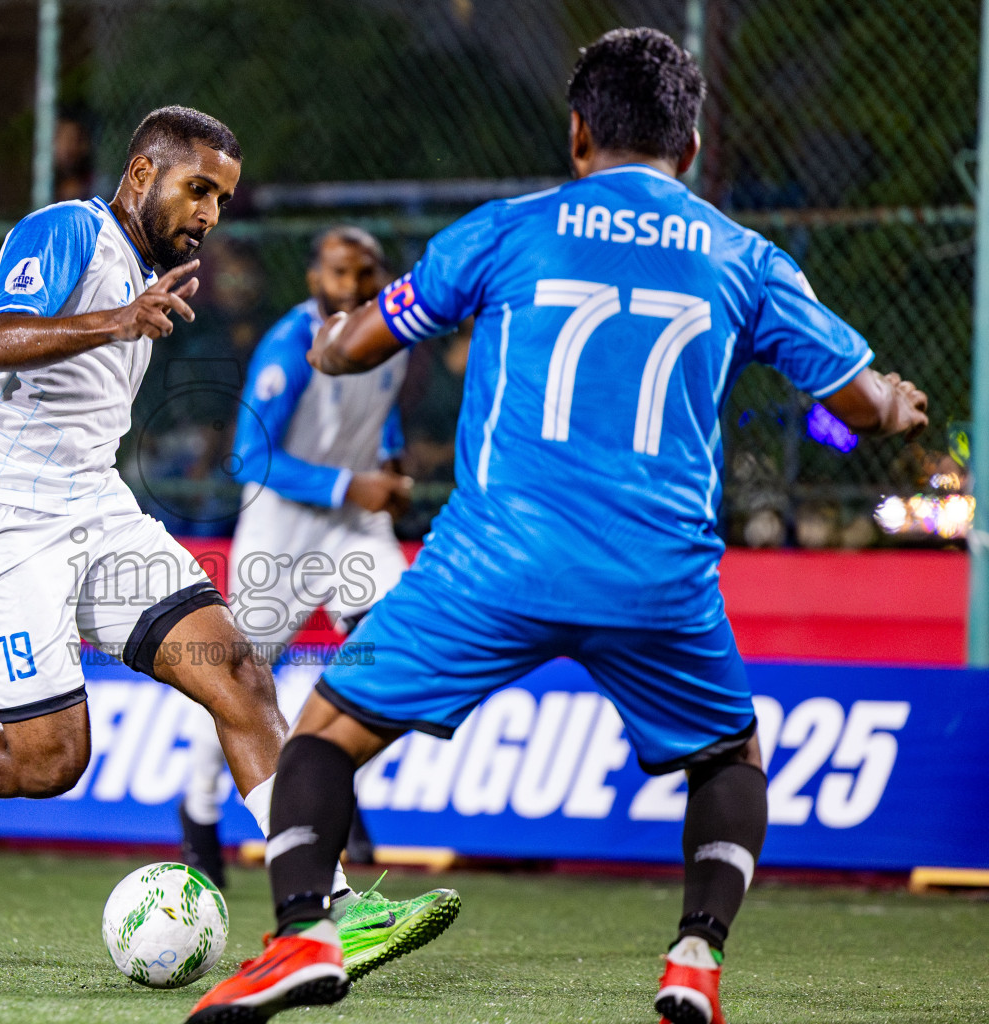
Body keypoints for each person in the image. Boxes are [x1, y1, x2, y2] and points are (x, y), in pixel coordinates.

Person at [188, 28, 930, 1024]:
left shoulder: (506, 230)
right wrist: (896, 402)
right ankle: (695, 955)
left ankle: (300, 935)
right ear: (694, 146)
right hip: (656, 576)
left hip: (497, 562)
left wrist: (325, 338)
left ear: (578, 133)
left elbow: (356, 347)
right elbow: (864, 405)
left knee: (323, 734)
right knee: (728, 758)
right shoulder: (746, 258)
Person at [0, 106, 446, 977]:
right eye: (198, 189)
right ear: (139, 177)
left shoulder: (147, 273)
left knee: (237, 669)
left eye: (222, 200)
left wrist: (128, 314)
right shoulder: (67, 231)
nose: (208, 215)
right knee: (50, 762)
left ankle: (325, 908)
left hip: (92, 505)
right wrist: (115, 321)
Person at [177, 228, 440, 905]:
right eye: (337, 273)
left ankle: (330, 775)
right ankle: (199, 811)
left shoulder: (389, 337)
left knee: (399, 631)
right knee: (238, 688)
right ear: (313, 277)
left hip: (354, 531)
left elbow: (376, 418)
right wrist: (351, 485)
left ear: (381, 276)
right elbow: (248, 456)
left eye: (364, 274)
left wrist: (386, 463)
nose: (350, 288)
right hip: (281, 535)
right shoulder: (292, 345)